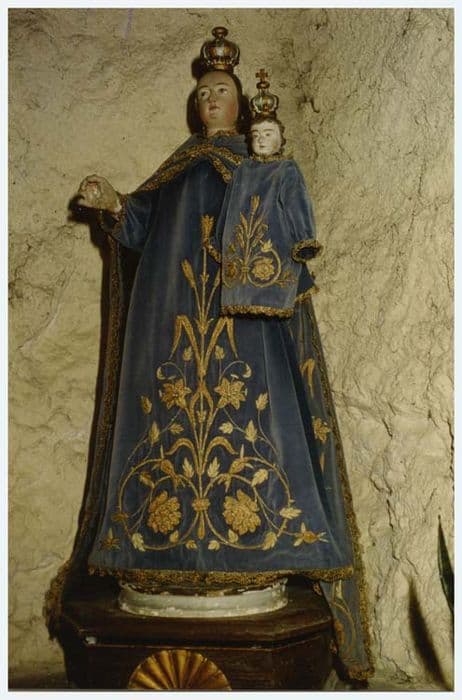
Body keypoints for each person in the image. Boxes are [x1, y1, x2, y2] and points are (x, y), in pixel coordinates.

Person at [63, 31, 372, 681]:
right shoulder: (177, 169)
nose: (210, 98)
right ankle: (159, 557)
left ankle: (257, 556)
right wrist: (114, 204)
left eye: (221, 91)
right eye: (203, 91)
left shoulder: (255, 166)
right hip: (172, 329)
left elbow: (286, 234)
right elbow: (140, 227)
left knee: (256, 422)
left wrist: (274, 188)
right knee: (165, 432)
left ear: (241, 104)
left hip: (242, 329)